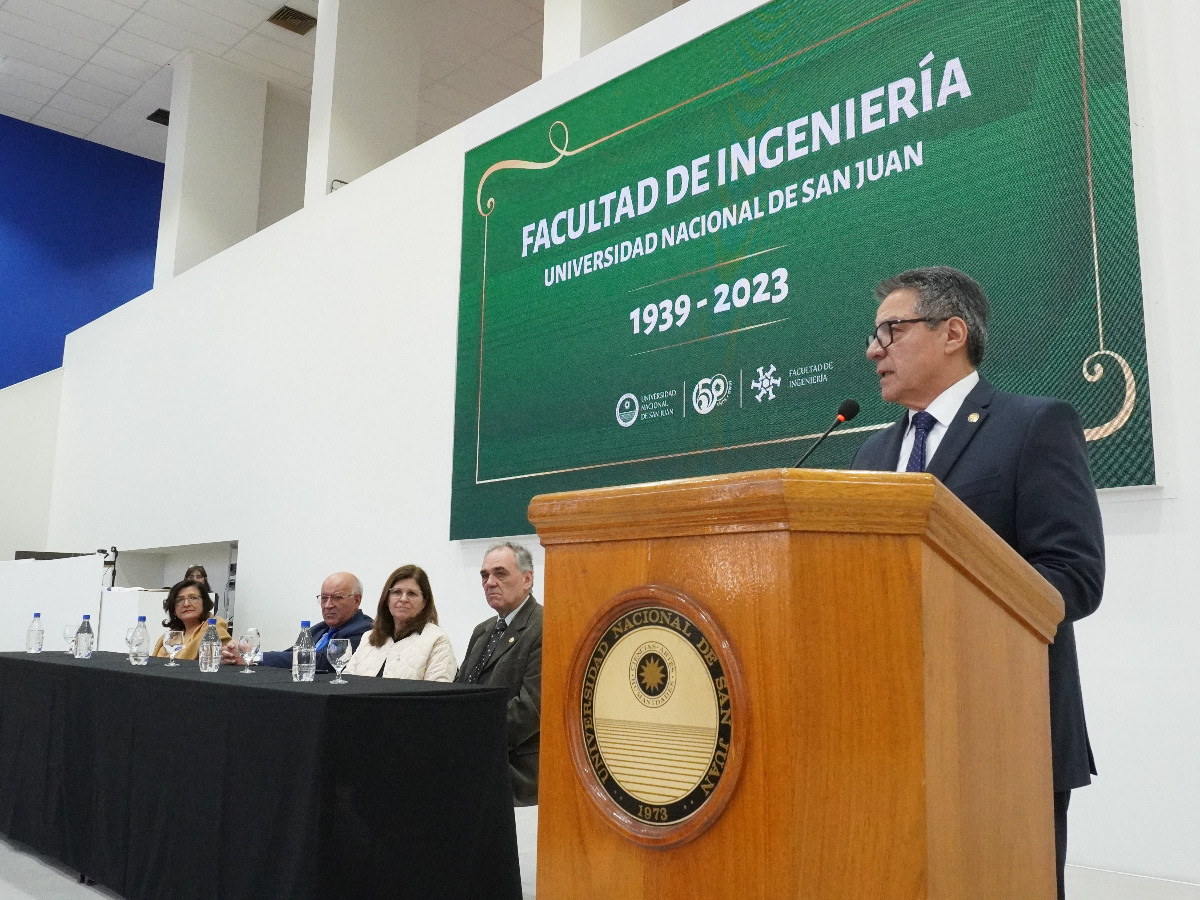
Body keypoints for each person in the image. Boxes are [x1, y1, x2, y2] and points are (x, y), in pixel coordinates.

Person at [850, 266, 1104, 900]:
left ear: (952, 333)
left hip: (1003, 730)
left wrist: (948, 616)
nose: (873, 349)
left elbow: (1074, 575)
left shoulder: (1032, 426)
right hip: (887, 735)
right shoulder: (870, 455)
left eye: (891, 330)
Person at [455, 542, 543, 807]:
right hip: (474, 756)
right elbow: (459, 693)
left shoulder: (544, 626)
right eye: (484, 575)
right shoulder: (482, 631)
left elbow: (531, 710)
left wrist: (468, 739)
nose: (489, 582)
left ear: (527, 579)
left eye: (500, 573)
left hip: (514, 767)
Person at [220, 571, 372, 672]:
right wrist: (246, 653)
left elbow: (321, 661)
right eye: (324, 598)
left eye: (337, 597)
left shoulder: (364, 629)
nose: (327, 605)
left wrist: (256, 657)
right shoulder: (320, 629)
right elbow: (291, 654)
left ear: (357, 600)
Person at [343, 565, 457, 680]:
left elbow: (438, 694)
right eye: (396, 592)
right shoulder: (368, 638)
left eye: (412, 594)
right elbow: (347, 684)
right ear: (387, 598)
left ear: (424, 602)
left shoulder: (437, 640)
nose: (403, 599)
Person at [151, 579, 232, 658]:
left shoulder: (214, 627)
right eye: (179, 600)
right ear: (174, 609)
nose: (186, 604)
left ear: (204, 603)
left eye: (193, 598)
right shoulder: (170, 636)